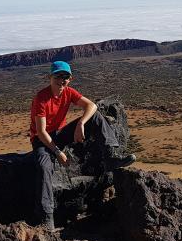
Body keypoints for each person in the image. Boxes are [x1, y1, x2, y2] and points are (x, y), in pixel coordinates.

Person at [29, 60, 135, 231]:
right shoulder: (41, 98)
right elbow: (41, 132)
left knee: (96, 117)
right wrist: (57, 152)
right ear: (50, 77)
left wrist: (81, 124)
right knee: (44, 167)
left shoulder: (68, 92)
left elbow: (91, 106)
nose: (62, 80)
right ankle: (46, 216)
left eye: (66, 77)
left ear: (70, 79)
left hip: (59, 133)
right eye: (58, 76)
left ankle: (111, 157)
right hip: (42, 141)